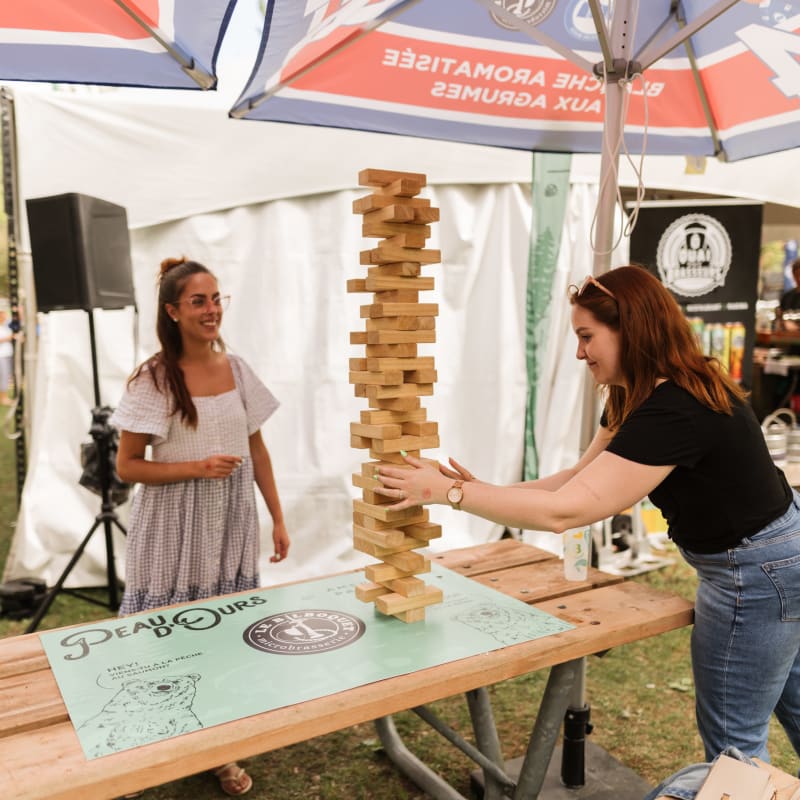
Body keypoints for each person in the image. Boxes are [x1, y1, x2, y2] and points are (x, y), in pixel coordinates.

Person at [375, 264, 800, 765]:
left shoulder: (674, 407)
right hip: (777, 557)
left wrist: (449, 495)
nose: (580, 353)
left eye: (586, 337)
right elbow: (576, 480)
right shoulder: (640, 392)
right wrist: (474, 490)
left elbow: (567, 511)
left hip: (756, 573)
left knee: (734, 745)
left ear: (632, 330)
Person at [113, 257, 290, 797]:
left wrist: (278, 517)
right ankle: (147, 741)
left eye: (216, 299)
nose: (212, 310)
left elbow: (256, 447)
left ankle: (218, 746)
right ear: (173, 311)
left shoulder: (236, 368)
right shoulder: (154, 378)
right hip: (173, 520)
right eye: (198, 301)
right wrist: (197, 467)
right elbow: (127, 466)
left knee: (222, 632)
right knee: (160, 633)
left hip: (230, 517)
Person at [776, 257, 800, 331]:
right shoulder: (787, 296)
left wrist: (796, 328)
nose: (799, 278)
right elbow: (779, 319)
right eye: (797, 275)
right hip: (786, 339)